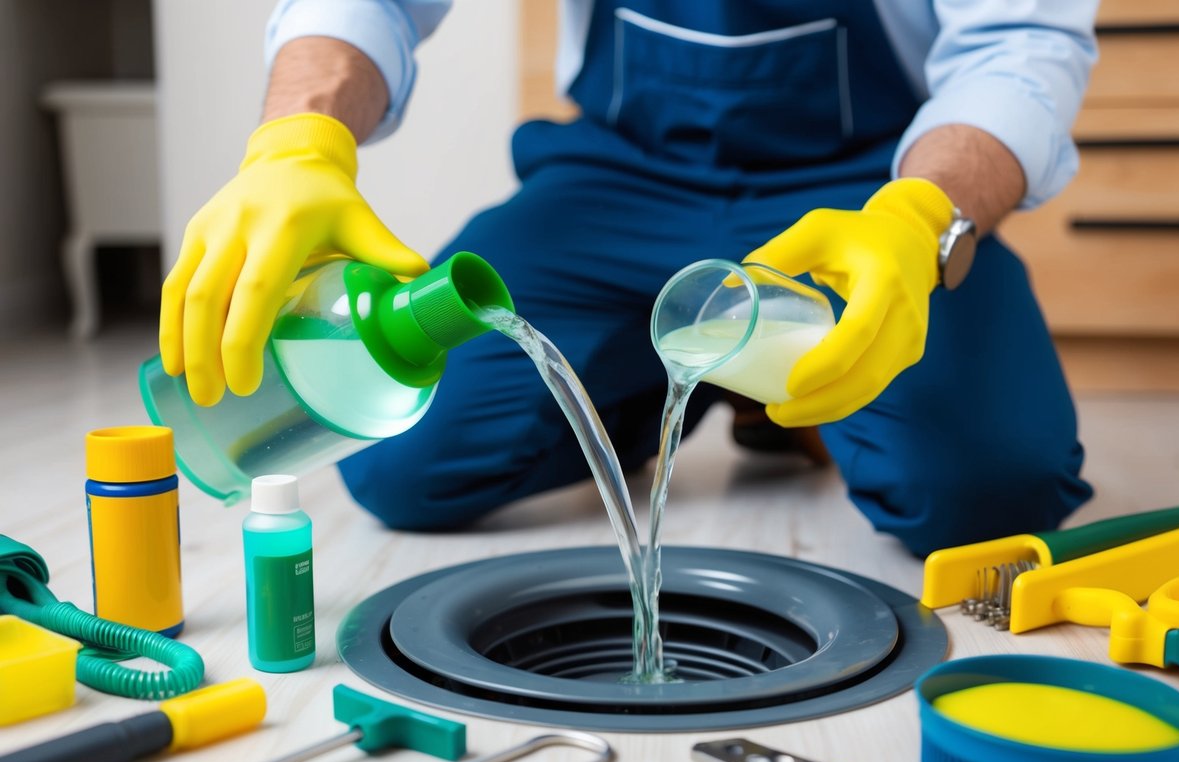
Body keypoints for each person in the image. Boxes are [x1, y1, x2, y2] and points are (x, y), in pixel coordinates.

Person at [159, 0, 1099, 556]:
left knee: (984, 492)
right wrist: (300, 138)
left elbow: (1017, 42)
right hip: (622, 177)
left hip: (862, 190)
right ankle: (685, 379)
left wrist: (921, 218)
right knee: (405, 465)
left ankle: (751, 374)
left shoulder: (900, 202)